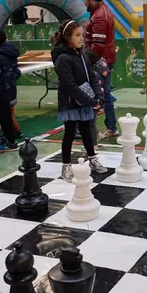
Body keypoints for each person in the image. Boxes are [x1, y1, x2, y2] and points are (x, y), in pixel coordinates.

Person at [51, 19, 108, 182]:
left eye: (82, 35)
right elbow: (69, 85)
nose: (81, 39)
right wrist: (90, 100)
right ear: (67, 37)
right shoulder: (63, 58)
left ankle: (92, 159)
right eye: (77, 35)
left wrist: (98, 96)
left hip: (85, 100)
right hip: (70, 102)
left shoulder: (82, 55)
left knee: (86, 131)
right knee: (69, 133)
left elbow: (91, 76)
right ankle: (66, 166)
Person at [82, 0, 117, 141]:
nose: (83, 3)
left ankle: (108, 128)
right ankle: (111, 127)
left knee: (102, 95)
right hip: (103, 60)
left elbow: (97, 46)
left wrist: (81, 59)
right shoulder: (99, 12)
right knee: (105, 94)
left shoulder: (100, 16)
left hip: (99, 61)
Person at [85, 49, 110, 144]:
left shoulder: (93, 74)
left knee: (90, 123)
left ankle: (93, 144)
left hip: (93, 101)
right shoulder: (98, 71)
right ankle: (92, 143)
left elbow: (93, 88)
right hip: (95, 101)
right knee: (91, 123)